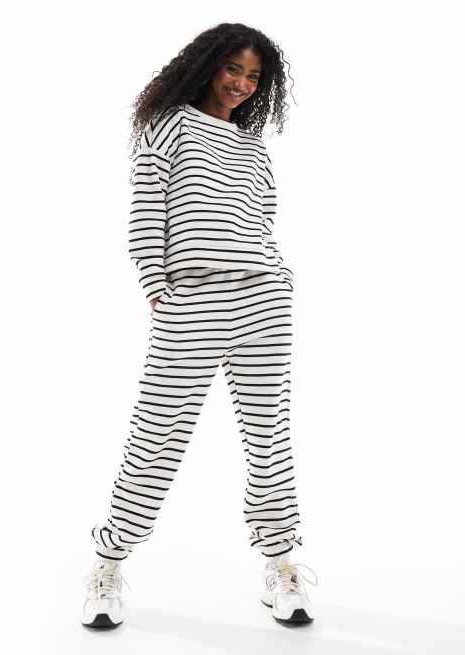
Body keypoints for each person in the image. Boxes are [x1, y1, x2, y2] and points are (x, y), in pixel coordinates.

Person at [81, 22, 319, 630]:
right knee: (156, 437)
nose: (241, 83)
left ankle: (282, 565)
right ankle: (108, 564)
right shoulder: (168, 125)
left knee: (269, 438)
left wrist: (281, 279)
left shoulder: (253, 146)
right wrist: (157, 289)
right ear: (208, 64)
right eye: (233, 68)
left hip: (264, 302)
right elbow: (146, 212)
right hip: (192, 303)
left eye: (254, 76)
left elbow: (263, 223)